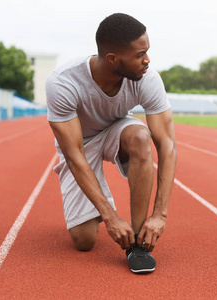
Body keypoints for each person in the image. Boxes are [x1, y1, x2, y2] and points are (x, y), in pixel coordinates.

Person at [45, 13, 177, 274]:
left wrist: (160, 214)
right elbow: (74, 154)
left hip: (117, 128)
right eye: (140, 54)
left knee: (141, 137)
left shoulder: (147, 78)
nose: (147, 60)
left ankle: (138, 243)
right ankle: (99, 213)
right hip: (80, 142)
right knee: (84, 241)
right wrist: (110, 216)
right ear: (113, 59)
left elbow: (167, 144)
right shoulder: (63, 82)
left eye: (147, 52)